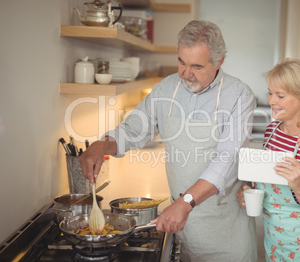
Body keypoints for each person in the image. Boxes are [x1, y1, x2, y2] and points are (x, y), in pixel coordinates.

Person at [79, 20, 258, 261]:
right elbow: (133, 129)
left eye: (196, 66)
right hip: (179, 226)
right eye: (181, 62)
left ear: (219, 62)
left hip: (224, 232)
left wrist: (185, 203)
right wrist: (102, 145)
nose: (186, 73)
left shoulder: (239, 96)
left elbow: (226, 162)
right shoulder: (166, 89)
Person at [237, 58, 300, 261]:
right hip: (275, 238)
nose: (271, 101)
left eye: (280, 95)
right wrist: (250, 192)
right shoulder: (272, 131)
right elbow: (269, 179)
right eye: (270, 93)